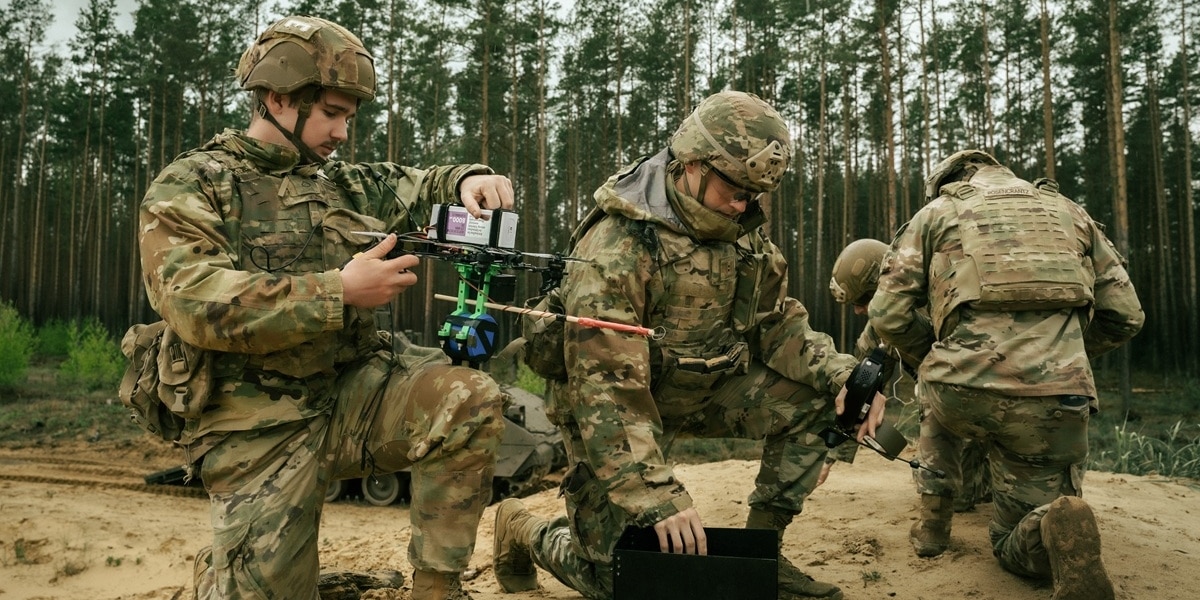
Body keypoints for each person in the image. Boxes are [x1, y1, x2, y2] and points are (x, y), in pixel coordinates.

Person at [132, 15, 514, 600]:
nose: (342, 131)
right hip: (257, 424)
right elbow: (192, 301)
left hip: (350, 396)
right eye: (332, 114)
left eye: (348, 118)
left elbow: (422, 183)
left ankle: (436, 589)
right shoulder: (195, 184)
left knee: (468, 399)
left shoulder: (344, 184)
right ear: (279, 98)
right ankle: (231, 570)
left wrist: (470, 179)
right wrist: (339, 290)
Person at [492, 90, 886, 600]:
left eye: (755, 194)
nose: (745, 204)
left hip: (704, 387)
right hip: (612, 413)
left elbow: (774, 323)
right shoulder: (619, 244)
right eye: (736, 189)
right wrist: (656, 494)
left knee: (819, 405)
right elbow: (606, 387)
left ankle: (761, 552)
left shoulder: (742, 231)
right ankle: (523, 527)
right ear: (694, 164)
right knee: (620, 580)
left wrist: (843, 375)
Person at [868, 149, 1144, 600]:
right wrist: (1065, 354)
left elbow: (886, 312)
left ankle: (933, 526)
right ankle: (1047, 523)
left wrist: (934, 355)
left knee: (937, 388)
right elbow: (1128, 316)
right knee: (1017, 534)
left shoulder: (938, 211)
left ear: (947, 181)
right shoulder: (1070, 212)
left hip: (959, 395)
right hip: (1055, 401)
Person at [827, 238, 993, 552]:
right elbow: (862, 379)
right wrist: (834, 451)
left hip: (990, 405)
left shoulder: (946, 304)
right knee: (966, 497)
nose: (860, 310)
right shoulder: (885, 320)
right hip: (962, 415)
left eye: (863, 299)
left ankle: (944, 516)